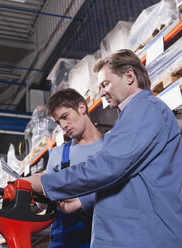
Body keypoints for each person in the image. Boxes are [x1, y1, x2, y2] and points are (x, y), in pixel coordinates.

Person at [25, 49, 182, 247]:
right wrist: (82, 201)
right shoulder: (131, 117)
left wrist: (46, 183)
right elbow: (125, 179)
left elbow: (108, 167)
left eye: (105, 84)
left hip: (145, 237)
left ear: (129, 77)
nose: (101, 93)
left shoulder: (146, 109)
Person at [43, 88, 103, 248]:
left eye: (65, 116)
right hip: (65, 241)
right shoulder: (58, 154)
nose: (63, 125)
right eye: (58, 122)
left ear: (82, 108)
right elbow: (46, 198)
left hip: (105, 237)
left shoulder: (111, 147)